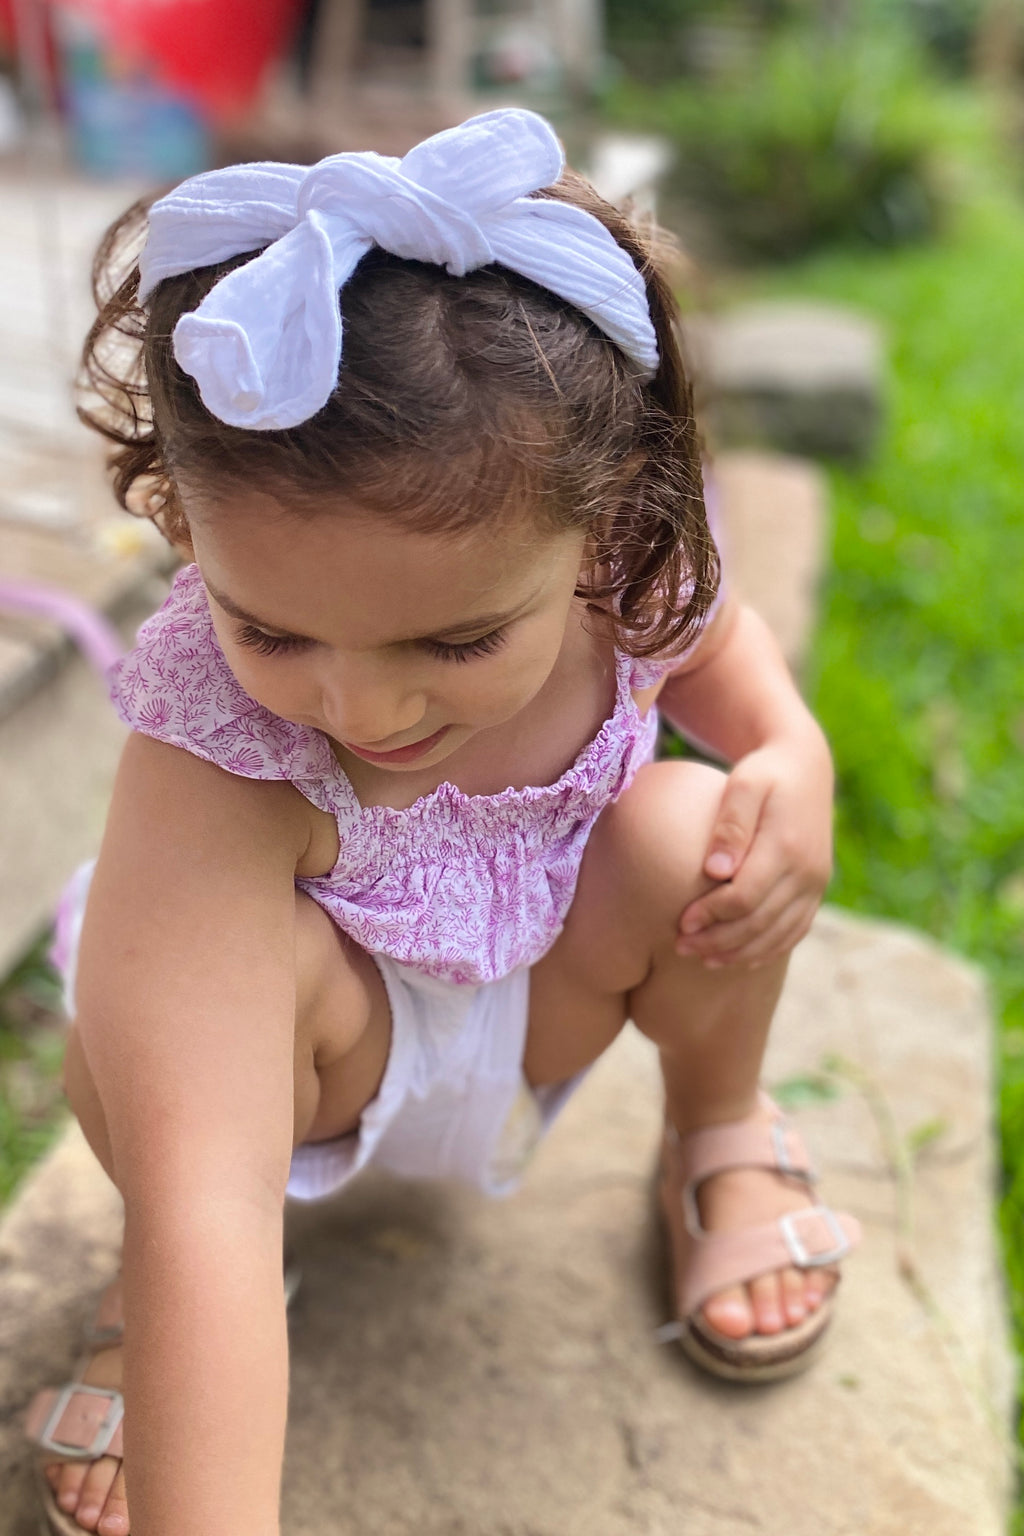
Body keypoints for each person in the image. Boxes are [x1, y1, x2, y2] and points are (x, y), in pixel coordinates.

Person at [25, 109, 859, 1536]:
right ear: (184, 525)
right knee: (151, 1065)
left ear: (606, 532)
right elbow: (215, 1188)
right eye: (269, 624)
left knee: (696, 829)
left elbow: (727, 655)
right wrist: (194, 1263)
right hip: (306, 1060)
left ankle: (718, 1131)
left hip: (537, 1001)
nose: (361, 706)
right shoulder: (217, 751)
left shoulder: (629, 574)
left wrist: (795, 754)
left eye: (457, 643)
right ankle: (151, 1295)